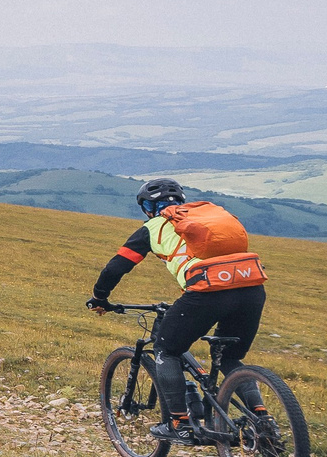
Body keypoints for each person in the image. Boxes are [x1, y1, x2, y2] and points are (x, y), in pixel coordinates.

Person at [87, 179, 267, 441]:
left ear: (147, 207)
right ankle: (262, 419)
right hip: (251, 289)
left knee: (166, 349)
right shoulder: (206, 219)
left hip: (207, 292)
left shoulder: (152, 227)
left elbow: (116, 267)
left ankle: (179, 423)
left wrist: (99, 297)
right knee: (229, 358)